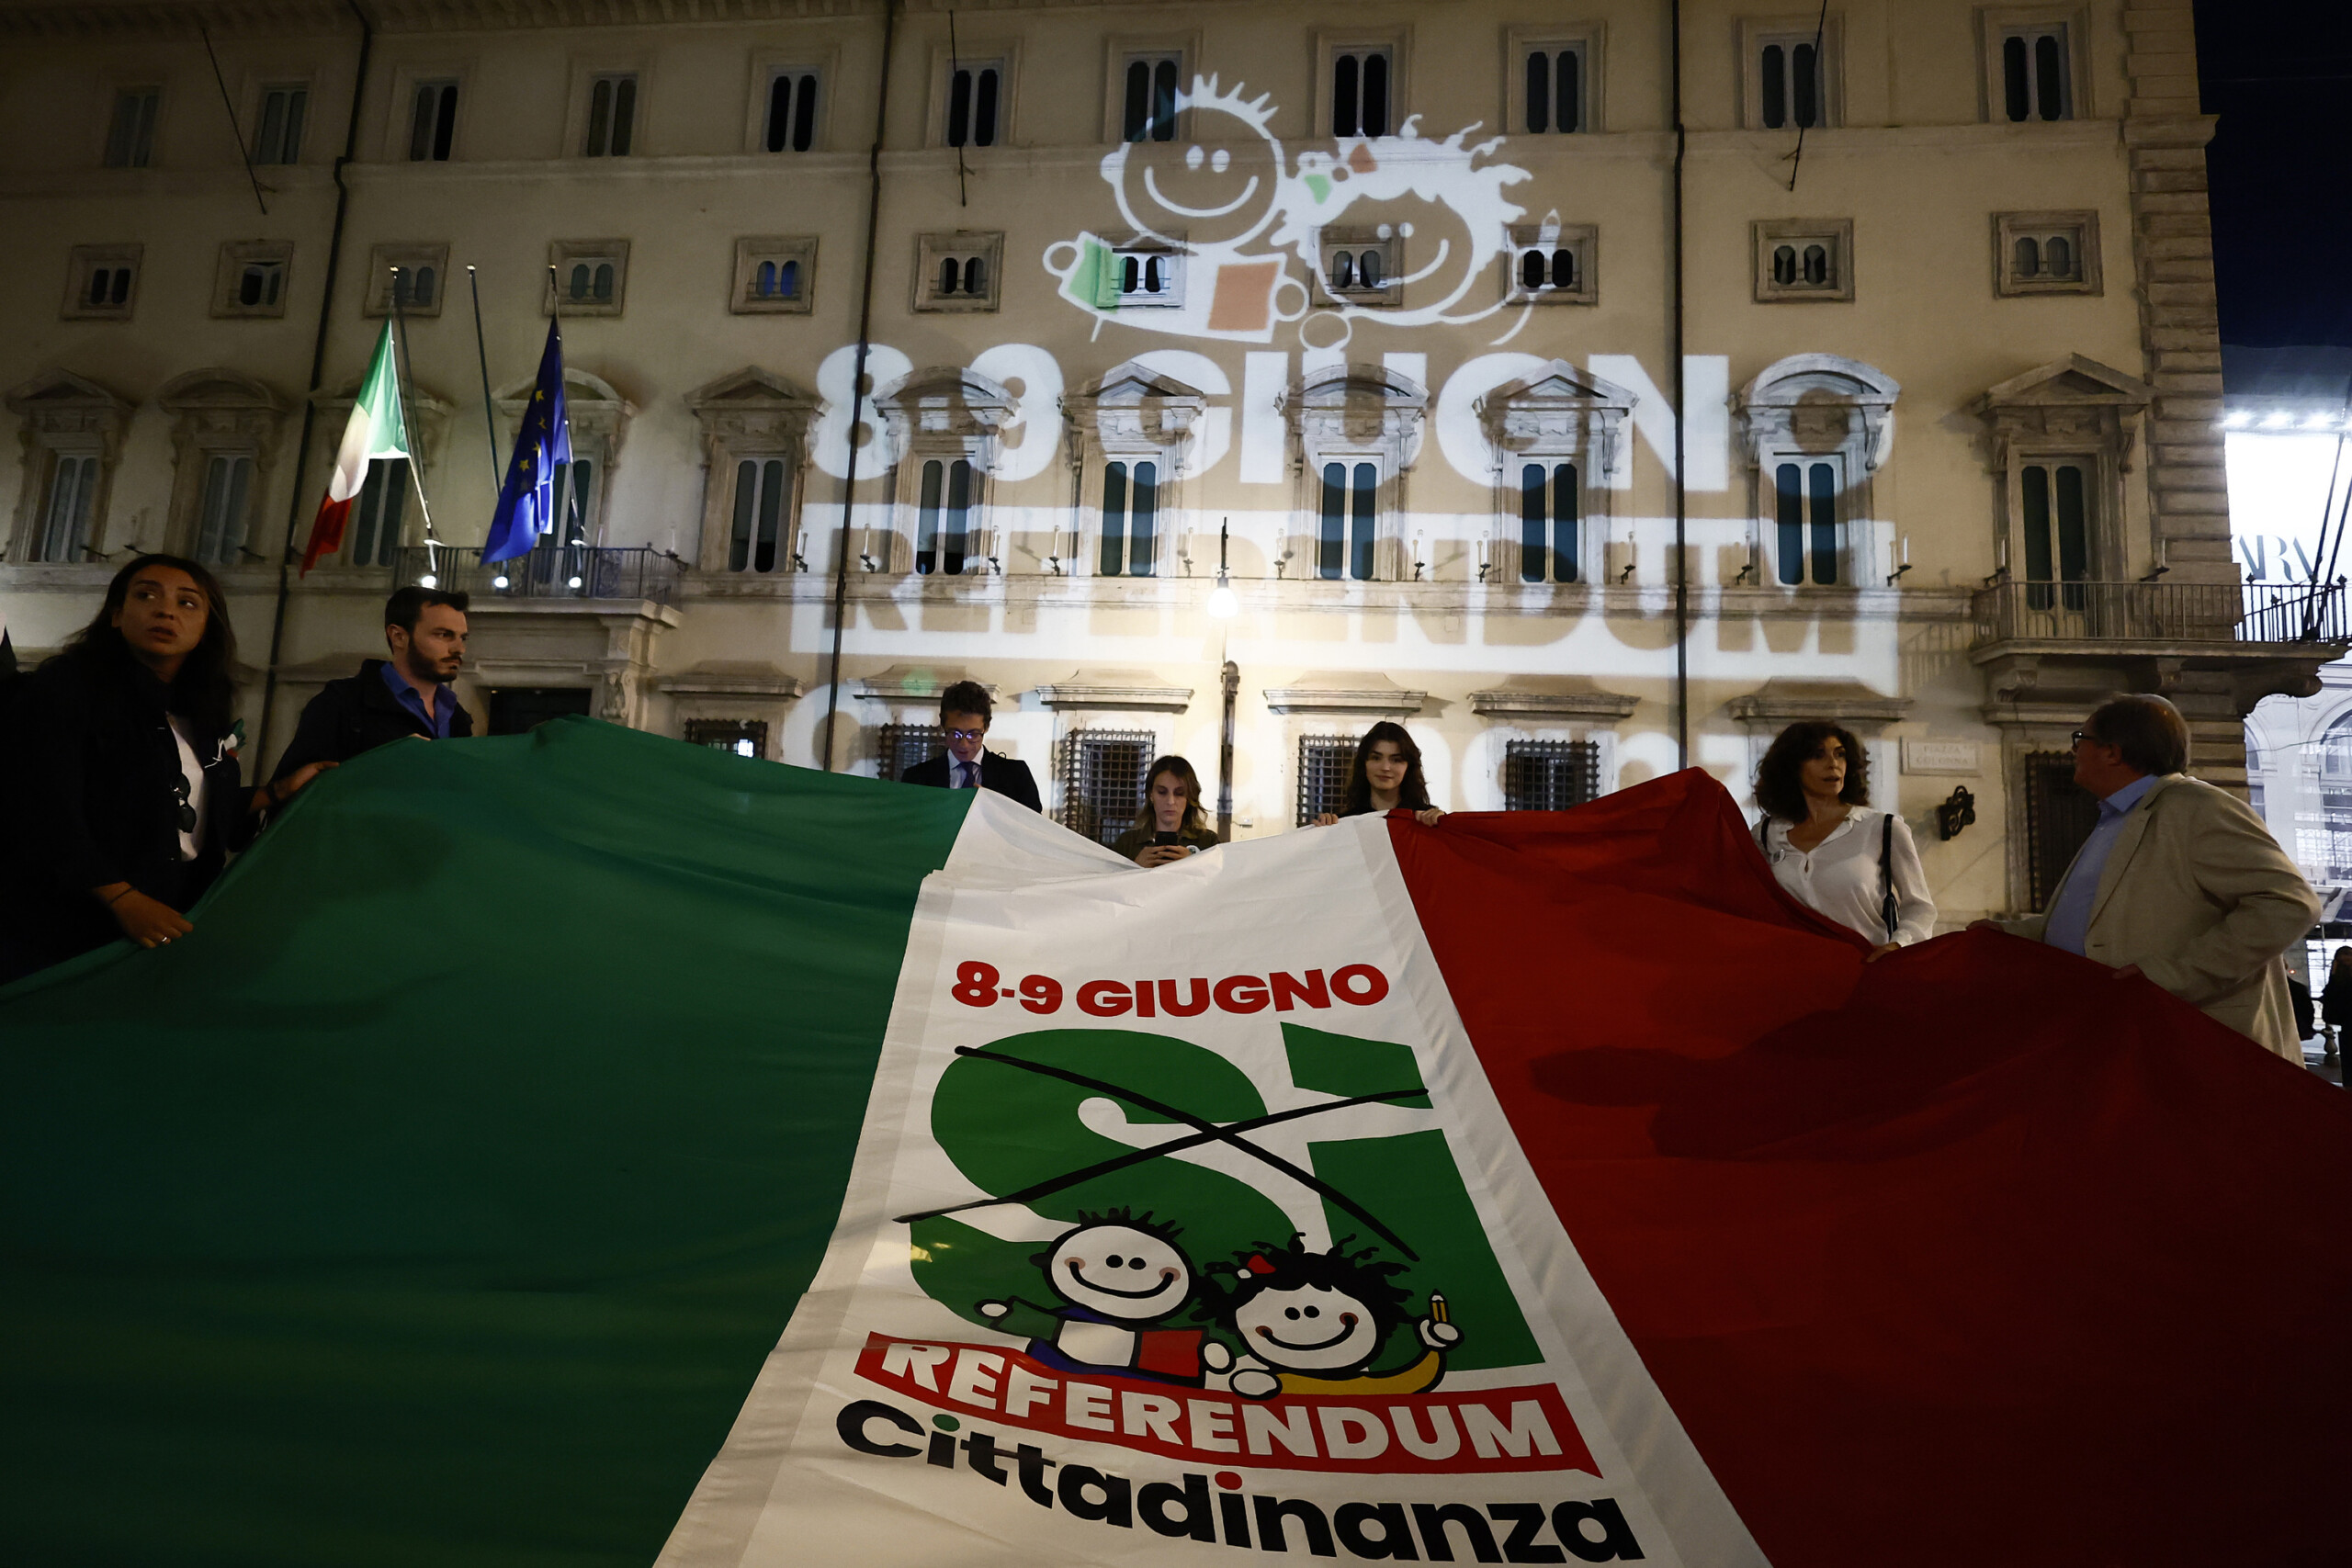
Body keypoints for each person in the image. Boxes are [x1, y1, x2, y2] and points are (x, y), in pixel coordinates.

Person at [0, 555, 334, 981]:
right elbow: (42, 811)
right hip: (67, 928)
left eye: (188, 603)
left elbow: (183, 812)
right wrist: (122, 898)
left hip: (168, 919)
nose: (166, 610)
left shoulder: (198, 711)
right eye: (146, 595)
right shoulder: (64, 692)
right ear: (117, 615)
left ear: (206, 627)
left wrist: (275, 793)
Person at [1982, 694, 2320, 1060]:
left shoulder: (2198, 808)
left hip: (2197, 1043)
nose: (2074, 751)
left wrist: (2176, 975)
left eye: (2081, 740)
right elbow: (2095, 924)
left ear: (2112, 752)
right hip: (2125, 1038)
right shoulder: (2116, 819)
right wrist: (2012, 935)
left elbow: (2288, 903)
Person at [1752, 721, 1935, 958]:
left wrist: (1896, 946)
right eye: (1818, 755)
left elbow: (1920, 907)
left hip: (1863, 970)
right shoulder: (1766, 834)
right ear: (1792, 767)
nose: (1833, 764)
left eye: (1840, 755)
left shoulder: (1883, 828)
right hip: (1792, 972)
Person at [273, 586, 474, 782]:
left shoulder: (456, 715)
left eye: (462, 638)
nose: (459, 648)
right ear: (398, 636)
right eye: (443, 635)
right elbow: (294, 791)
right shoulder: (342, 704)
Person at [898, 680, 1041, 810]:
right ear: (943, 725)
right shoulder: (916, 778)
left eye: (973, 734)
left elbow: (1034, 829)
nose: (964, 744)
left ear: (986, 727)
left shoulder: (1016, 775)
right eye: (955, 734)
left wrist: (995, 809)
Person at [1312, 721, 1445, 828]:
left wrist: (1445, 823)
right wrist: (1323, 832)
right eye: (1376, 758)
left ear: (1408, 766)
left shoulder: (1427, 821)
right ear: (1364, 763)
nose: (1385, 767)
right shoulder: (1344, 823)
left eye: (1396, 760)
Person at [1110, 755, 1220, 866]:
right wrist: (1135, 868)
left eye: (1179, 793)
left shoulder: (1208, 843)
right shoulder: (1127, 843)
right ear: (1151, 795)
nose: (1170, 801)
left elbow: (1221, 881)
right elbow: (1111, 881)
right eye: (1162, 792)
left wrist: (1193, 864)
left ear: (1189, 797)